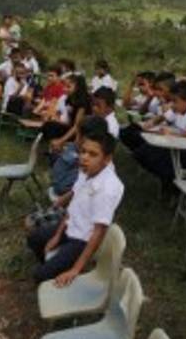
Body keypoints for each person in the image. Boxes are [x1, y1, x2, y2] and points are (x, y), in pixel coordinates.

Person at [26, 117, 124, 284]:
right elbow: (72, 207)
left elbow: (98, 233)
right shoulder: (86, 171)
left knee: (39, 276)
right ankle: (51, 267)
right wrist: (57, 236)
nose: (84, 158)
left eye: (92, 154)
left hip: (82, 240)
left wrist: (75, 270)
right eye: (83, 151)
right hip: (70, 227)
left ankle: (56, 272)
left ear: (107, 159)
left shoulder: (107, 188)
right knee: (34, 239)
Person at [133, 78, 186, 187]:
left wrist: (172, 134)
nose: (172, 105)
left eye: (175, 101)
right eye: (171, 101)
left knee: (158, 158)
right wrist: (151, 123)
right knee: (143, 152)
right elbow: (163, 117)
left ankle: (170, 187)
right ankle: (165, 183)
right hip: (182, 149)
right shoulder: (178, 109)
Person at [42, 73, 92, 151]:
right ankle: (54, 148)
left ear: (78, 88)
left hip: (80, 132)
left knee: (53, 128)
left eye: (68, 87)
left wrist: (61, 140)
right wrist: (56, 120)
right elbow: (69, 121)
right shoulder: (70, 98)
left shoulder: (83, 102)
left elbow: (77, 126)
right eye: (64, 86)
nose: (64, 89)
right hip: (71, 128)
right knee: (49, 125)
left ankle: (58, 147)